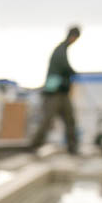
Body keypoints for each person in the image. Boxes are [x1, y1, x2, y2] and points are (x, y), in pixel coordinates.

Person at [31, 26, 81, 154]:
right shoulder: (60, 50)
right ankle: (33, 146)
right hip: (54, 93)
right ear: (72, 36)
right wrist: (71, 71)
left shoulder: (64, 50)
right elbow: (63, 67)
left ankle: (72, 148)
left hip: (63, 93)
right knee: (47, 120)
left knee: (70, 121)